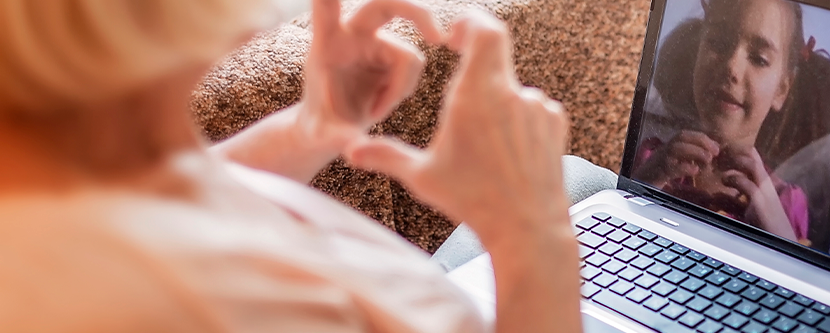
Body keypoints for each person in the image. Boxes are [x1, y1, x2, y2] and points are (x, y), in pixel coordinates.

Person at [0, 0, 579, 331]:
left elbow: (145, 204)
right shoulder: (231, 303)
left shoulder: (61, 161)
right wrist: (535, 235)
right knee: (586, 180)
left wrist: (314, 127)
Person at [630, 0, 830, 244]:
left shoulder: (784, 202)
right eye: (718, 43)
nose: (731, 67)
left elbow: (789, 278)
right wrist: (647, 180)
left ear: (781, 90)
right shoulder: (655, 161)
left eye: (759, 58)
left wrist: (780, 236)